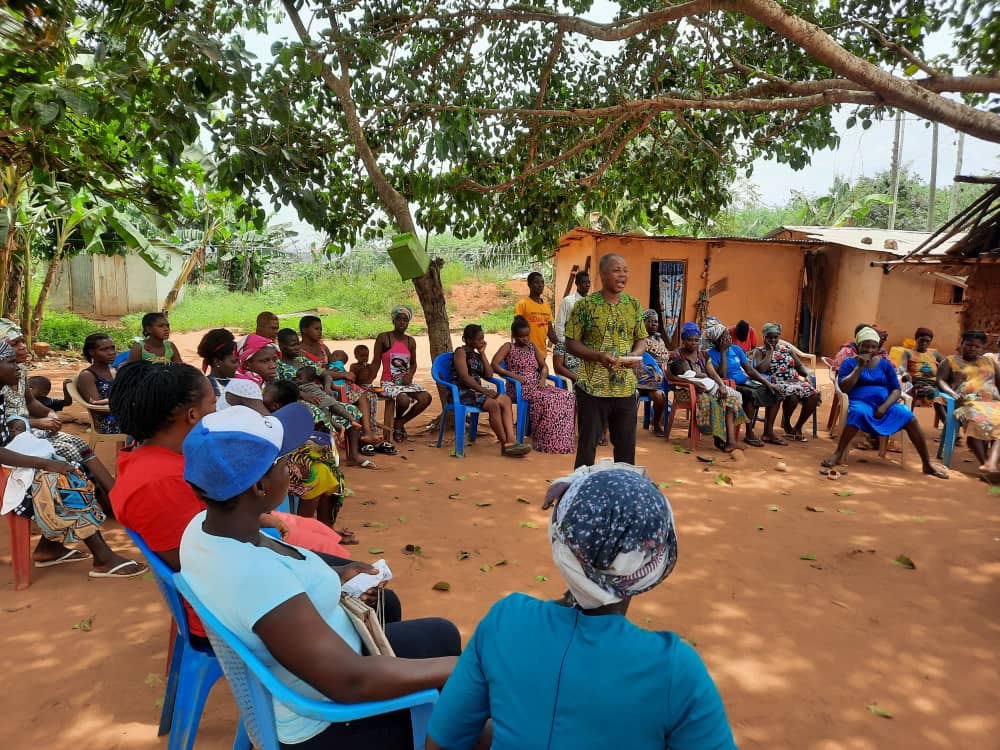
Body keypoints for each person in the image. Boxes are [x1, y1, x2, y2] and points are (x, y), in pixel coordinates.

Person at [179, 405, 462, 749]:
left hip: (314, 672)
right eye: (285, 462)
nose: (294, 467)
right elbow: (351, 682)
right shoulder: (254, 577)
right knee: (474, 721)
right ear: (258, 486)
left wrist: (337, 577)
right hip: (326, 721)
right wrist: (469, 668)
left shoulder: (203, 531)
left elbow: (279, 591)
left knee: (443, 635)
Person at [425, 464, 736, 750]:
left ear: (562, 540)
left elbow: (441, 742)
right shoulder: (675, 670)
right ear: (651, 564)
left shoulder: (505, 621)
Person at [109, 362, 368, 646]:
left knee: (336, 555)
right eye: (212, 403)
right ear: (193, 415)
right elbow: (201, 566)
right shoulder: (160, 483)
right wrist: (320, 576)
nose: (218, 409)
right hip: (232, 611)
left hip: (242, 579)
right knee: (369, 592)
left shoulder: (161, 462)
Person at [0, 341, 147, 578]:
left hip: (17, 452)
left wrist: (22, 426)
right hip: (9, 462)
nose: (16, 366)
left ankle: (50, 548)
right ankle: (102, 557)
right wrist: (46, 462)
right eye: (9, 361)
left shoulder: (4, 391)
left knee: (68, 466)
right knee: (61, 479)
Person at [0, 318, 117, 508]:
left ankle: (115, 496)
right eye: (15, 343)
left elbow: (30, 402)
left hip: (29, 431)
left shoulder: (18, 371)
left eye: (22, 341)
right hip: (13, 438)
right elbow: (4, 422)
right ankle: (99, 503)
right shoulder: (4, 376)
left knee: (78, 442)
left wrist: (49, 413)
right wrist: (37, 423)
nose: (22, 347)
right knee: (68, 449)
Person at [822, 327, 948, 479]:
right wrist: (859, 367)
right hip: (860, 401)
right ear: (858, 345)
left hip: (884, 404)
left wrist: (884, 407)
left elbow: (895, 389)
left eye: (873, 346)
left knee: (909, 417)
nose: (869, 349)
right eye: (865, 345)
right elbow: (843, 387)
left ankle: (927, 463)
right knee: (857, 413)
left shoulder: (884, 364)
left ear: (877, 348)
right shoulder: (849, 363)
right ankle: (838, 454)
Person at [565, 253, 647, 468]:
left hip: (625, 390)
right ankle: (580, 494)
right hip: (592, 390)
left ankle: (625, 495)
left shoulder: (634, 305)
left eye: (625, 270)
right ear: (602, 274)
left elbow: (641, 338)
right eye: (616, 270)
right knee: (586, 449)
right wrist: (597, 356)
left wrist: (635, 355)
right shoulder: (585, 306)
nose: (622, 275)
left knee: (626, 450)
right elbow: (570, 343)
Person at [491, 316, 576, 454]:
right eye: (521, 336)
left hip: (538, 385)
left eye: (527, 335)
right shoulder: (508, 347)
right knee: (549, 400)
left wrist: (543, 378)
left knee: (566, 396)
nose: (525, 339)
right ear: (514, 335)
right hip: (519, 387)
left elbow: (544, 366)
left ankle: (560, 439)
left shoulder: (532, 346)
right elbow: (494, 365)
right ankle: (545, 441)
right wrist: (515, 376)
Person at [703, 317, 782, 447]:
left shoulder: (736, 349)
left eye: (728, 334)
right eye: (724, 336)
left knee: (775, 392)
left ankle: (768, 431)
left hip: (746, 381)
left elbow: (749, 370)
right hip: (731, 385)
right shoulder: (711, 354)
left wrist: (767, 383)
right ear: (717, 340)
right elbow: (722, 375)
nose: (728, 337)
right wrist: (723, 352)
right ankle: (749, 433)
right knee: (750, 396)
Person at [669, 323, 747, 453]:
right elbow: (670, 376)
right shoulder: (676, 355)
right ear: (683, 340)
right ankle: (718, 437)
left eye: (696, 340)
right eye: (689, 340)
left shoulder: (703, 355)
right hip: (686, 390)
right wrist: (693, 383)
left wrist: (722, 385)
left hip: (706, 387)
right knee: (712, 402)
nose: (693, 343)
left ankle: (730, 441)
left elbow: (712, 373)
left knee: (731, 400)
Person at [452, 324, 528, 457]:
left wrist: (482, 353)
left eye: (483, 338)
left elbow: (489, 375)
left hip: (477, 391)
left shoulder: (476, 355)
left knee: (505, 399)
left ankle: (511, 439)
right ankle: (505, 445)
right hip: (462, 392)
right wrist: (484, 391)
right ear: (468, 339)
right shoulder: (460, 352)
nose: (482, 342)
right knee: (493, 405)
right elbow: (464, 377)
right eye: (479, 339)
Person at [936, 330, 1000, 481]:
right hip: (968, 403)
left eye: (977, 346)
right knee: (975, 420)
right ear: (961, 344)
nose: (972, 348)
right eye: (968, 345)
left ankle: (990, 464)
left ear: (983, 348)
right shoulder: (950, 361)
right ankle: (986, 465)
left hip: (993, 403)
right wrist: (952, 393)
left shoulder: (990, 363)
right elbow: (940, 381)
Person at [371, 305, 432, 443]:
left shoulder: (410, 341)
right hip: (388, 382)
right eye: (399, 319)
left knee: (426, 398)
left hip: (405, 382)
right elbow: (375, 362)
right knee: (403, 400)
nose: (402, 322)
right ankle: (399, 422)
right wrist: (368, 380)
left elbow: (414, 363)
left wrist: (409, 375)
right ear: (393, 320)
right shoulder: (384, 338)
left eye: (405, 320)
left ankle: (399, 422)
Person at [752, 322, 819, 442]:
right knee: (792, 397)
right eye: (769, 337)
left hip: (793, 381)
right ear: (764, 337)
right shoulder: (759, 351)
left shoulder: (787, 349)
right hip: (775, 381)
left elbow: (799, 366)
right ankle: (787, 425)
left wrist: (808, 374)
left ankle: (798, 427)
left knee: (813, 396)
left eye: (775, 337)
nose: (773, 339)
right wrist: (770, 352)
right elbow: (760, 369)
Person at [76, 333, 120, 434]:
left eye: (112, 348)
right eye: (104, 349)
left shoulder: (116, 370)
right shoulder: (88, 375)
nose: (111, 352)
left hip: (123, 415)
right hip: (108, 422)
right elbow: (97, 408)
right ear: (92, 352)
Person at [639, 310, 671, 435]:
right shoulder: (640, 340)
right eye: (650, 321)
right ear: (643, 323)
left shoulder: (660, 340)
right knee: (657, 396)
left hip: (659, 378)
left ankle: (656, 422)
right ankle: (655, 423)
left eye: (656, 322)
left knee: (661, 396)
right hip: (643, 377)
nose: (653, 324)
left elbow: (666, 355)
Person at [515, 271, 558, 357]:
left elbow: (550, 330)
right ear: (529, 285)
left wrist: (561, 344)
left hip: (542, 353)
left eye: (542, 282)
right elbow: (516, 329)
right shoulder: (522, 304)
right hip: (526, 352)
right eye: (537, 282)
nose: (540, 285)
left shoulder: (547, 306)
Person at [196, 328, 240, 411]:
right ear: (216, 362)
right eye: (234, 362)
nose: (239, 366)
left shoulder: (239, 380)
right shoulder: (209, 389)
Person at [900, 327, 942, 406]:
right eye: (922, 340)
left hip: (934, 382)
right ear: (916, 339)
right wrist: (905, 374)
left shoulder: (934, 353)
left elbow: (948, 365)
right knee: (924, 390)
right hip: (917, 381)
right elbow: (902, 368)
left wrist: (936, 373)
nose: (924, 343)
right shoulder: (908, 353)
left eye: (927, 341)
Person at [553, 271, 591, 346]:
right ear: (576, 283)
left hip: (587, 346)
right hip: (571, 344)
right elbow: (559, 323)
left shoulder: (592, 302)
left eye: (589, 282)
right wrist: (564, 342)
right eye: (584, 282)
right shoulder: (568, 301)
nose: (587, 285)